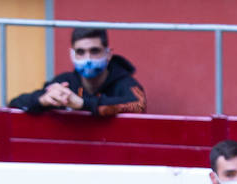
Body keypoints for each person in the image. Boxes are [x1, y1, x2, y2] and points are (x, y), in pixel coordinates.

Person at [8, 25, 146, 117]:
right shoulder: (65, 81)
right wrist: (43, 100)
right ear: (72, 54)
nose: (88, 59)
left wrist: (82, 103)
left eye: (95, 51)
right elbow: (15, 104)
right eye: (81, 52)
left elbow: (139, 105)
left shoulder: (125, 83)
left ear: (108, 54)